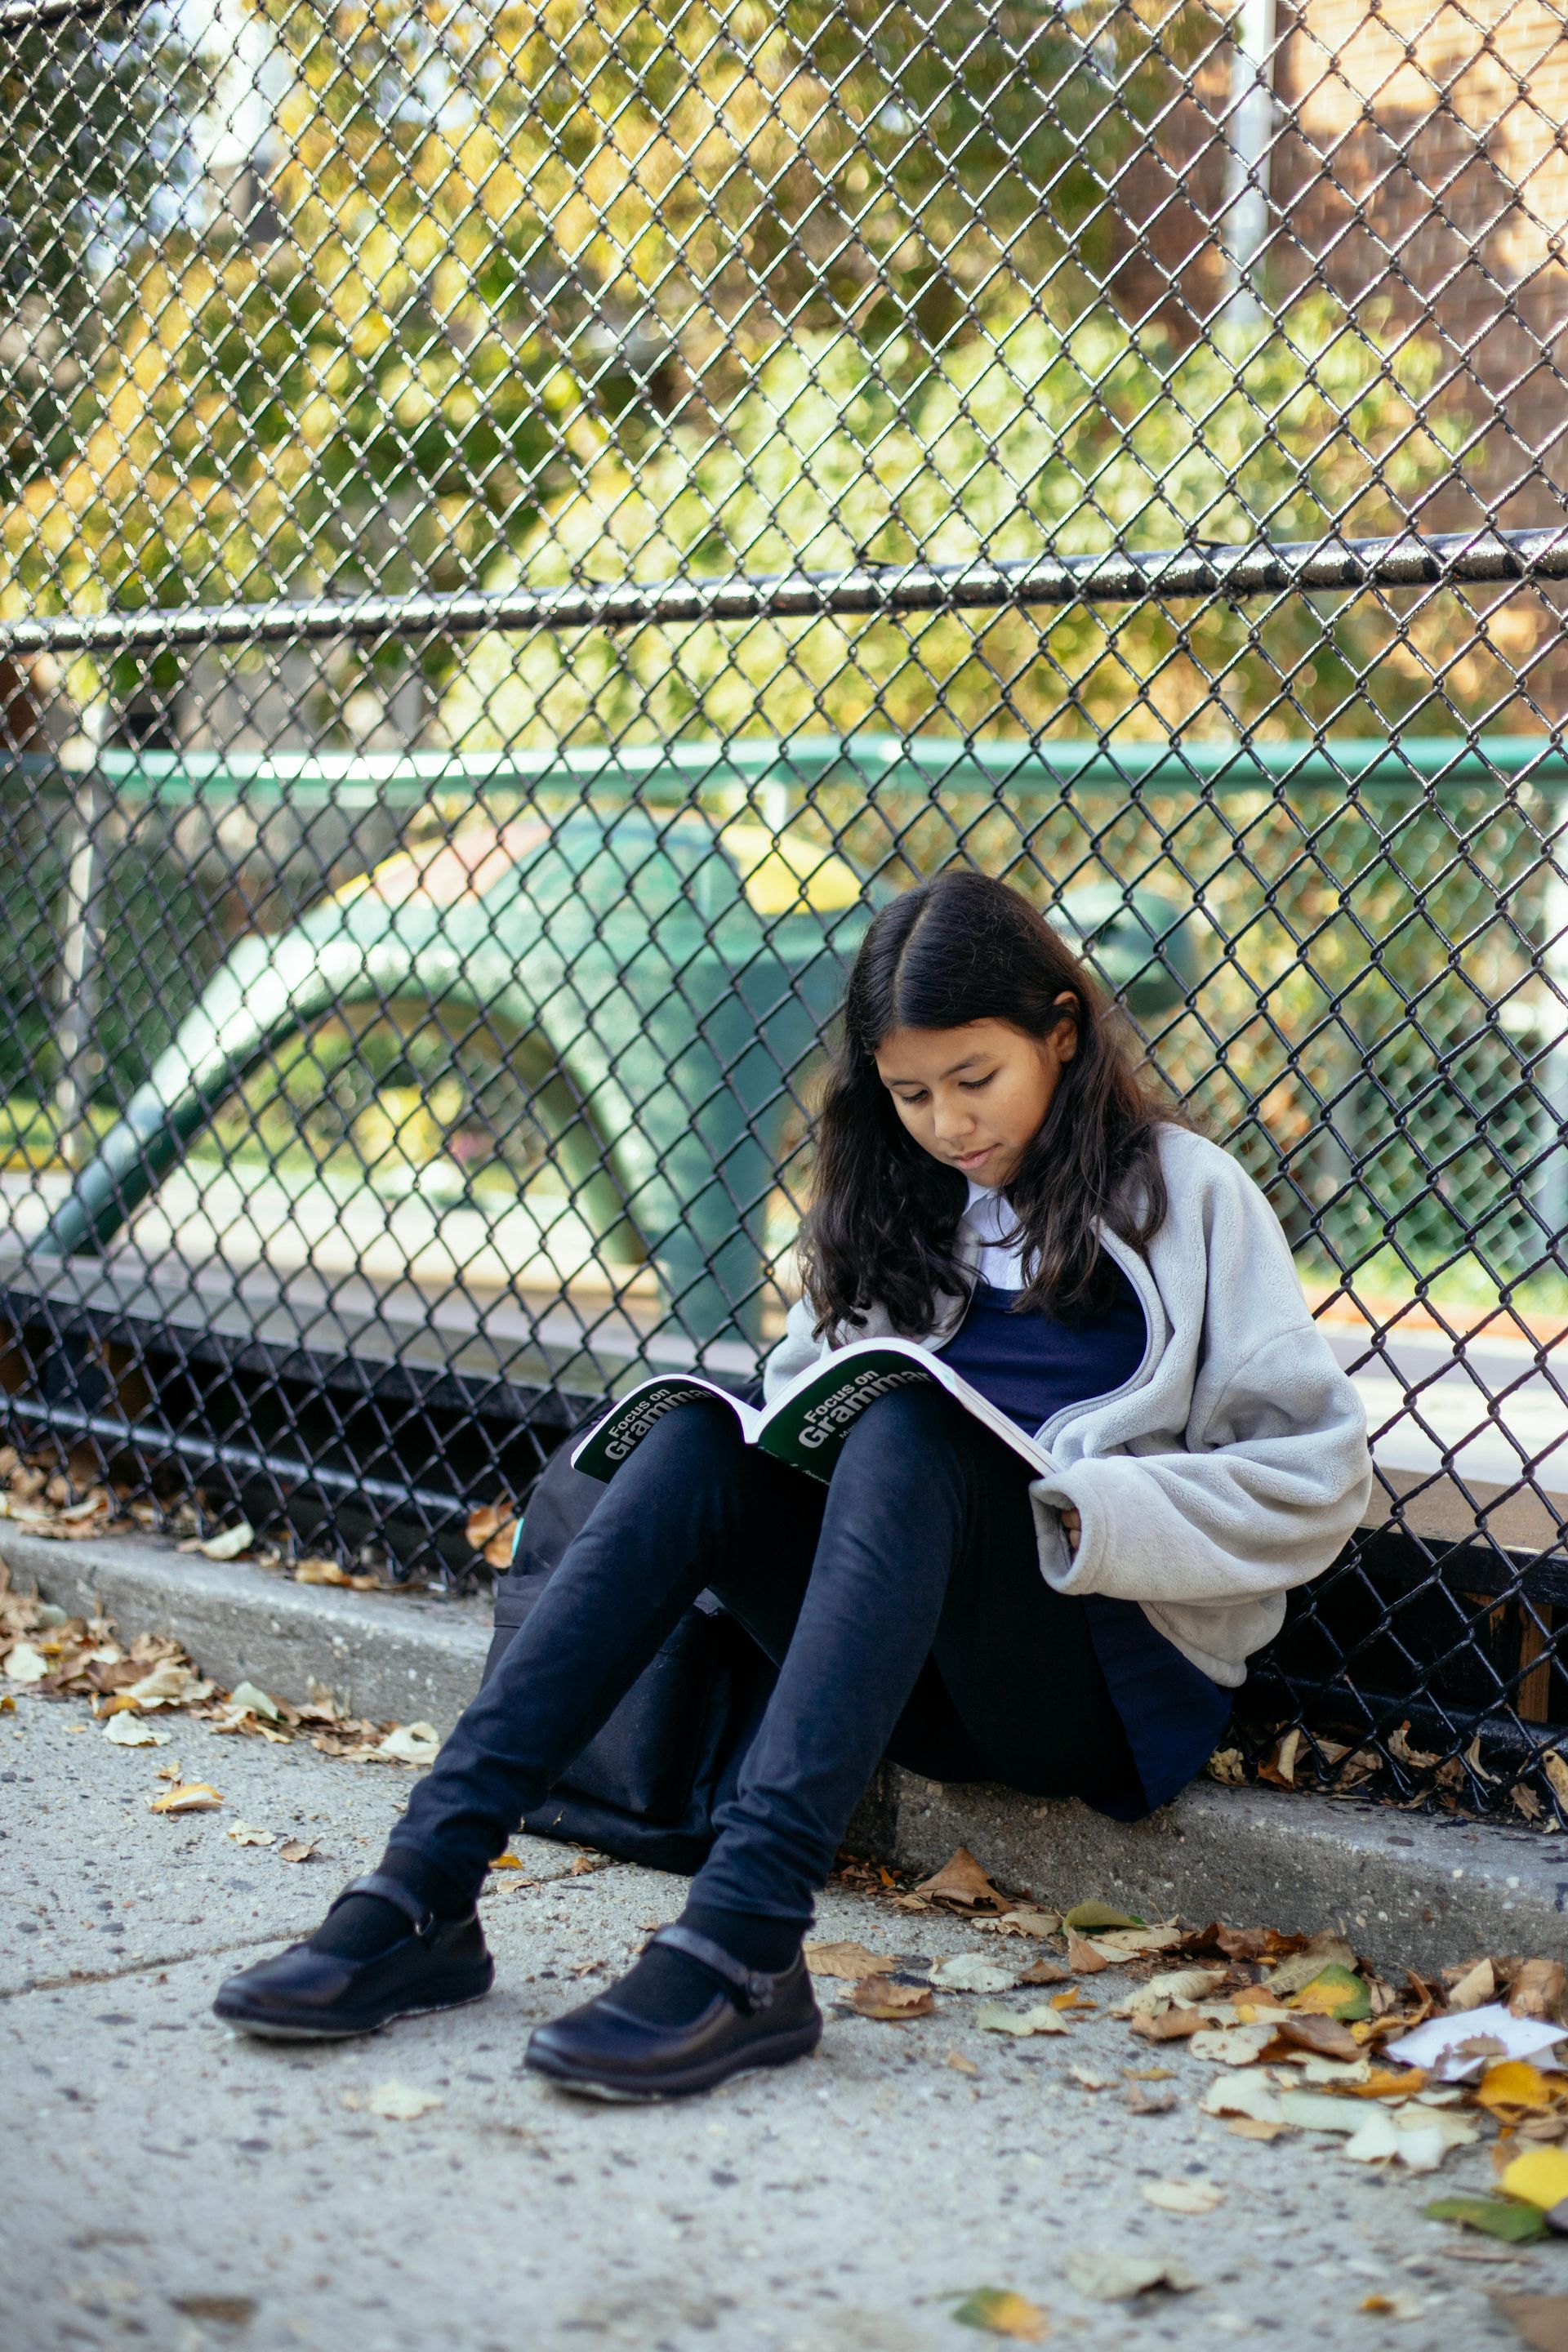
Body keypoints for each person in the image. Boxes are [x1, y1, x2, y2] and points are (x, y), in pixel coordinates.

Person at [213, 867, 1372, 2098]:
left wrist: (1089, 1514)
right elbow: (808, 1413)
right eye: (910, 1093)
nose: (946, 1124)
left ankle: (745, 1944)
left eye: (975, 1079)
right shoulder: (905, 1197)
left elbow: (1314, 1471)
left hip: (1106, 1676)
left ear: (1063, 1032)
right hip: (917, 1667)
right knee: (697, 1442)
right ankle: (422, 1890)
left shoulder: (1185, 1196)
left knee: (912, 1434)